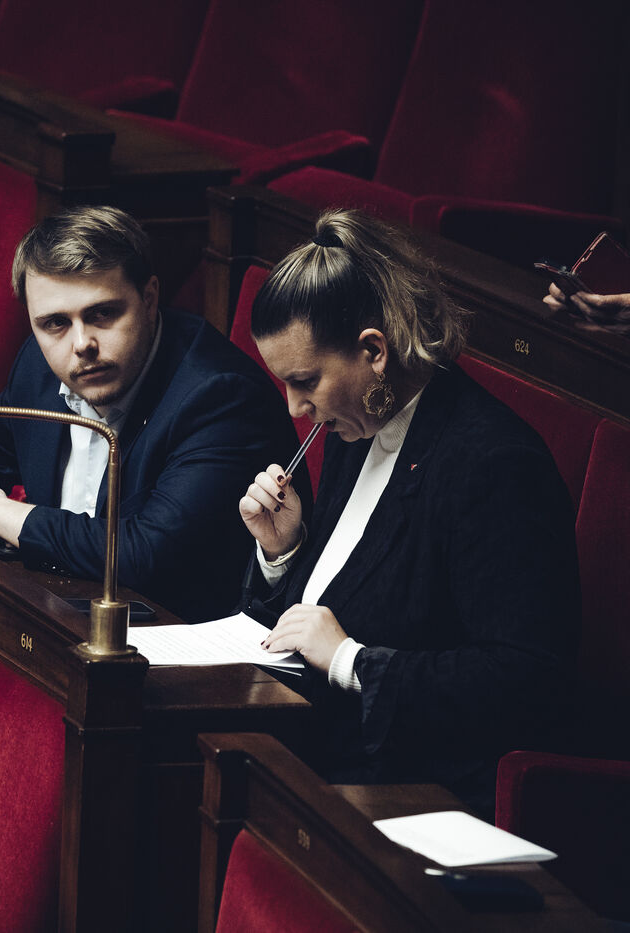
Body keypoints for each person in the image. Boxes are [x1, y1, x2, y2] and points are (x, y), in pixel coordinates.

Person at [238, 208, 580, 813]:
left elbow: (525, 678)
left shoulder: (493, 463)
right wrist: (282, 551)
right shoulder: (358, 423)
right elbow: (327, 611)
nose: (294, 408)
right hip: (319, 746)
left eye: (305, 381)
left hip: (416, 790)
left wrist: (353, 663)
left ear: (374, 350)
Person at [0, 206, 301, 622]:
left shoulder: (220, 396)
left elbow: (146, 553)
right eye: (55, 323)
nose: (81, 344)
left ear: (149, 299)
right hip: (54, 613)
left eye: (102, 313)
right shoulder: (39, 365)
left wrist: (0, 515)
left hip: (172, 640)